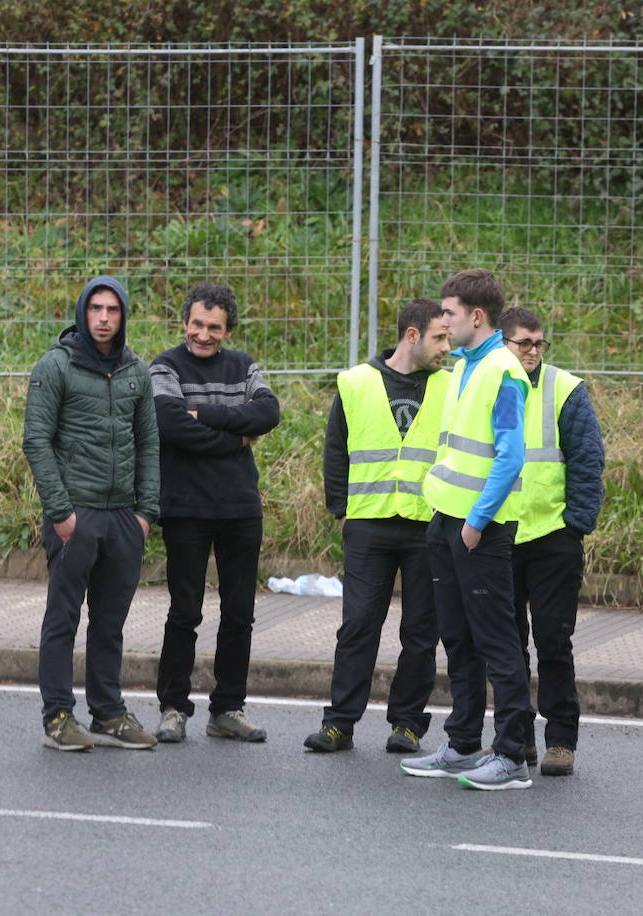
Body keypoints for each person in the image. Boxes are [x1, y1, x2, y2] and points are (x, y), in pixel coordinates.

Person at [400, 267, 534, 791]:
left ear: (476, 316)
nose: (443, 320)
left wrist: (477, 522)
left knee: (497, 642)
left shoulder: (502, 370)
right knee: (457, 638)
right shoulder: (463, 367)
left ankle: (511, 755)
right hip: (447, 521)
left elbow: (511, 455)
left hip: (481, 527)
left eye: (450, 313)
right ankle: (461, 745)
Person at [304, 299, 452, 754]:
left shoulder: (452, 385)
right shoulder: (356, 382)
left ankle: (407, 725)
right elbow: (336, 448)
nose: (447, 346)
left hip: (428, 523)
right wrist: (341, 510)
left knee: (421, 631)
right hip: (368, 523)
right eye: (439, 337)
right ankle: (339, 724)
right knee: (358, 626)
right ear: (412, 335)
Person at [23, 275, 160, 752]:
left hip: (124, 519)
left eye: (113, 310)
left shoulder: (136, 371)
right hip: (75, 517)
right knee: (63, 619)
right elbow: (36, 441)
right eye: (96, 309)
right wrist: (61, 512)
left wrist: (145, 514)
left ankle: (108, 714)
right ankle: (58, 717)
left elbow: (148, 443)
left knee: (110, 623)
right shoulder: (55, 366)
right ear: (83, 312)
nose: (103, 318)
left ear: (123, 316)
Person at [150, 282, 281, 743]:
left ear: (228, 330)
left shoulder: (244, 365)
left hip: (240, 508)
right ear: (185, 322)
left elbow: (268, 412)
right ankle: (173, 708)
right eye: (197, 325)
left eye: (214, 327)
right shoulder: (165, 366)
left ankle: (228, 708)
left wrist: (199, 415)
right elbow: (167, 423)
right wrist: (233, 436)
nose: (204, 335)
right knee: (184, 612)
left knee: (240, 613)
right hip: (186, 508)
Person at [500, 306, 605, 777]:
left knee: (553, 642)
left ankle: (561, 739)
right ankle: (517, 737)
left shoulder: (565, 389)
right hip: (499, 535)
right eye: (524, 343)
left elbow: (587, 460)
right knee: (507, 645)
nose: (533, 352)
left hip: (551, 537)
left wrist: (575, 525)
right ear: (503, 342)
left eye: (539, 343)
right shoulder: (486, 383)